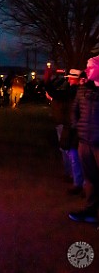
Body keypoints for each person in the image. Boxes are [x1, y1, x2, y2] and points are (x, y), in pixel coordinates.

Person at [68, 56, 99, 223]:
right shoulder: (82, 90)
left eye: (90, 67)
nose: (86, 70)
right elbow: (75, 111)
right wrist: (79, 128)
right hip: (85, 141)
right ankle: (90, 212)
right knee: (91, 179)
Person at [45, 68, 84, 195]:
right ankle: (78, 181)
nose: (69, 79)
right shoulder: (76, 91)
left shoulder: (74, 91)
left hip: (74, 126)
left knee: (73, 154)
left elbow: (56, 94)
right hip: (75, 125)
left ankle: (78, 182)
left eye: (70, 78)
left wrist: (48, 81)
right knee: (74, 153)